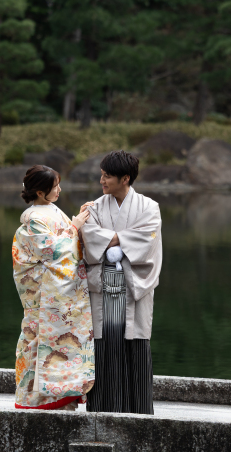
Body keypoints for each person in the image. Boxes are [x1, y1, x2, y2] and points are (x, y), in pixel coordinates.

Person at [80, 150, 162, 414]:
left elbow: (147, 240)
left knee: (134, 346)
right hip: (102, 285)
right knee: (104, 346)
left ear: (125, 178)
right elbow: (87, 237)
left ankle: (137, 411)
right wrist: (124, 237)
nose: (101, 181)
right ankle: (102, 409)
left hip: (132, 286)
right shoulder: (93, 207)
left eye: (107, 176)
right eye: (102, 175)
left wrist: (110, 239)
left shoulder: (149, 207)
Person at [12, 165, 95, 410]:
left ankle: (61, 392)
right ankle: (36, 399)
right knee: (39, 338)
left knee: (51, 340)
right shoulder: (33, 219)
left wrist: (75, 223)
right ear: (39, 192)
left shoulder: (48, 211)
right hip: (44, 293)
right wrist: (75, 225)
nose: (59, 190)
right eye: (54, 187)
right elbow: (52, 250)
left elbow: (63, 241)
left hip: (53, 289)